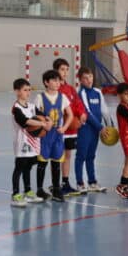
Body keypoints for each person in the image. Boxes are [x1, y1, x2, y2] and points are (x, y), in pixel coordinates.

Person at [34, 69, 74, 202]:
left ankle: (56, 189)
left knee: (56, 163)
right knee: (42, 163)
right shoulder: (40, 97)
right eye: (54, 80)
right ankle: (39, 189)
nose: (58, 83)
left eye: (59, 80)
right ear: (46, 82)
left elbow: (70, 114)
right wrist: (44, 123)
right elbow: (35, 115)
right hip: (45, 134)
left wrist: (65, 127)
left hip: (57, 134)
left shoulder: (62, 97)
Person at [11, 78, 51, 207]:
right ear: (17, 91)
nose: (28, 93)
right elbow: (25, 121)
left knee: (28, 167)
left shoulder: (33, 107)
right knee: (19, 168)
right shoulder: (16, 108)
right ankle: (15, 194)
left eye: (29, 90)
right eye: (25, 90)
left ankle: (28, 191)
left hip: (33, 143)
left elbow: (44, 116)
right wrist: (42, 123)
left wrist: (48, 121)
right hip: (22, 143)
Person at [54, 58, 87, 197]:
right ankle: (55, 185)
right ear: (56, 70)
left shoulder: (70, 88)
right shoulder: (55, 89)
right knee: (56, 157)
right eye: (62, 69)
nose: (65, 72)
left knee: (68, 155)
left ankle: (65, 182)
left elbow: (78, 104)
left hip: (71, 130)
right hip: (60, 129)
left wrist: (82, 114)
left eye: (67, 69)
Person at [76, 68, 111, 193]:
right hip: (85, 129)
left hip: (96, 130)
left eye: (90, 77)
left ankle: (92, 182)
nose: (89, 80)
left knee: (91, 156)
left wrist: (110, 126)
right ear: (80, 80)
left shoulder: (97, 92)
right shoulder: (82, 93)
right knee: (81, 156)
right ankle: (80, 183)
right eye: (85, 78)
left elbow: (104, 110)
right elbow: (87, 112)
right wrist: (100, 127)